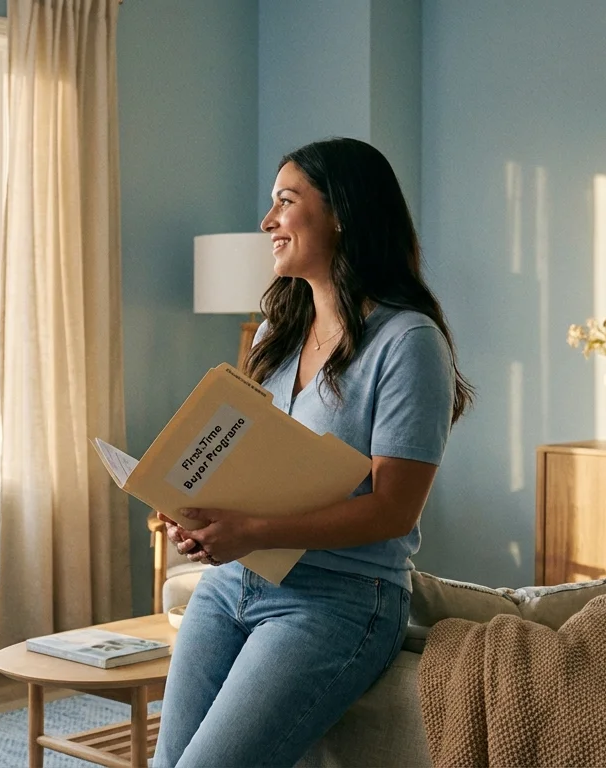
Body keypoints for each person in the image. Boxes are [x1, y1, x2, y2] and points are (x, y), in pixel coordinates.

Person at [151, 137, 474, 768]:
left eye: (285, 202)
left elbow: (393, 512)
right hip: (231, 585)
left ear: (341, 213)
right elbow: (251, 465)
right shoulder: (277, 333)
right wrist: (198, 510)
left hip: (338, 598)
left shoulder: (408, 342)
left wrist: (253, 530)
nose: (268, 221)